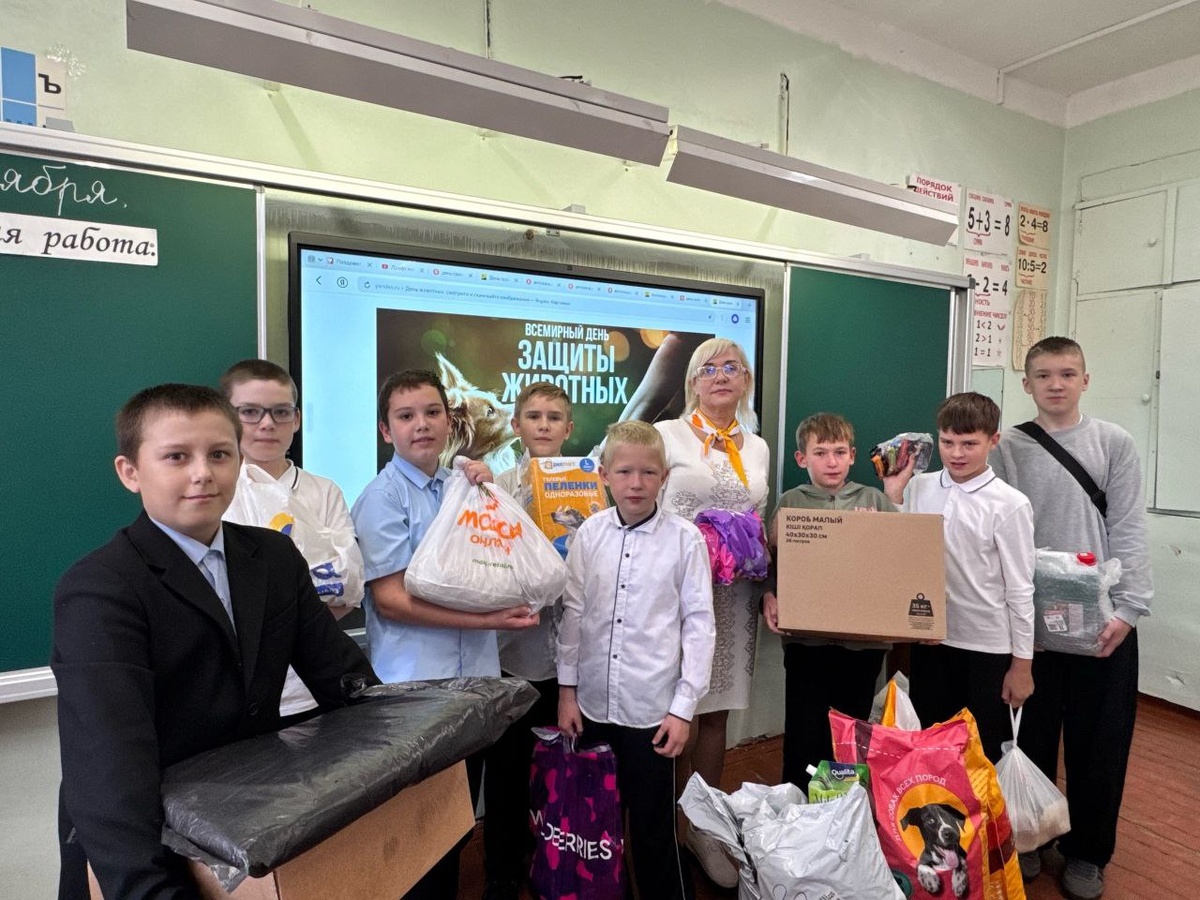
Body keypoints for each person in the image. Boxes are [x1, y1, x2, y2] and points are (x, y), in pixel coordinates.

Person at [53, 384, 378, 900]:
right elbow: (110, 768)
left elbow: (345, 680)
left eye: (220, 454)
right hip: (145, 846)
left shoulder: (273, 557)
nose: (203, 472)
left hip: (246, 824)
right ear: (130, 472)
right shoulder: (99, 589)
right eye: (176, 457)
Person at [350, 369, 539, 900]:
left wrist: (490, 491)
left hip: (474, 684)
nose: (422, 425)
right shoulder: (383, 498)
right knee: (417, 834)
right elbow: (391, 600)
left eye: (432, 412)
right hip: (416, 690)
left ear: (449, 420)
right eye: (405, 416)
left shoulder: (465, 487)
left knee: (456, 823)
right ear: (386, 430)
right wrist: (489, 622)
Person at [989, 337, 1152, 900]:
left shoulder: (1114, 442)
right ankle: (1032, 835)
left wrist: (1129, 610)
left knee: (1100, 741)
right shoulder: (1007, 447)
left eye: (1066, 373)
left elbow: (1128, 527)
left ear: (1085, 379)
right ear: (1027, 384)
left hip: (1101, 620)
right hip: (1028, 623)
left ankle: (1087, 851)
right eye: (1043, 375)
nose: (1055, 384)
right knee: (1027, 735)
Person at [558, 420, 716, 900]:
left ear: (664, 477)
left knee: (653, 825)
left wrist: (683, 709)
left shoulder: (685, 540)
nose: (636, 483)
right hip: (592, 707)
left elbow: (699, 626)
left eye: (648, 473)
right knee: (597, 823)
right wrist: (567, 693)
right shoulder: (589, 534)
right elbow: (573, 614)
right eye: (624, 472)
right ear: (604, 475)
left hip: (652, 712)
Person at [652, 337, 768, 888]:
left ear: (745, 381)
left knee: (717, 710)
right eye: (708, 368)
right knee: (682, 711)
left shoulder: (759, 447)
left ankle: (706, 825)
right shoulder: (666, 434)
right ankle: (668, 827)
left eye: (732, 367)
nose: (721, 376)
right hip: (675, 593)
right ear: (693, 382)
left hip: (734, 596)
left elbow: (760, 516)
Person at [883, 392, 1036, 764]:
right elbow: (903, 556)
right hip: (932, 639)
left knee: (980, 753)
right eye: (948, 442)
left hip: (988, 646)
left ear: (993, 440)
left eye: (969, 444)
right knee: (931, 749)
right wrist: (894, 495)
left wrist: (1022, 665)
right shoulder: (920, 487)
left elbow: (1020, 589)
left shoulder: (1010, 503)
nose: (956, 453)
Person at [220, 358, 366, 726]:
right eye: (250, 412)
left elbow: (348, 588)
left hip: (315, 685)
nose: (267, 423)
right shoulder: (216, 492)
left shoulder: (325, 491)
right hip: (241, 690)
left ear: (297, 419)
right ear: (227, 417)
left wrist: (280, 622)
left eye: (281, 412)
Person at [761, 412, 897, 787]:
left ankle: (841, 807)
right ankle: (799, 805)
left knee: (849, 733)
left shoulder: (875, 501)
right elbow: (771, 561)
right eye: (820, 453)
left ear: (852, 455)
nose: (831, 462)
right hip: (807, 642)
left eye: (839, 452)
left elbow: (897, 564)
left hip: (863, 645)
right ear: (801, 458)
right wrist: (768, 594)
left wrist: (875, 532)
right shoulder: (790, 502)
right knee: (804, 730)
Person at [482, 381, 575, 900]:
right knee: (508, 765)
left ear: (568, 428)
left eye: (554, 417)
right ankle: (501, 867)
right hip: (513, 650)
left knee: (559, 766)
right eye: (534, 416)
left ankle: (558, 859)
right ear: (516, 426)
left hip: (569, 652)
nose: (543, 425)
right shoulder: (495, 487)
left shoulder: (589, 483)